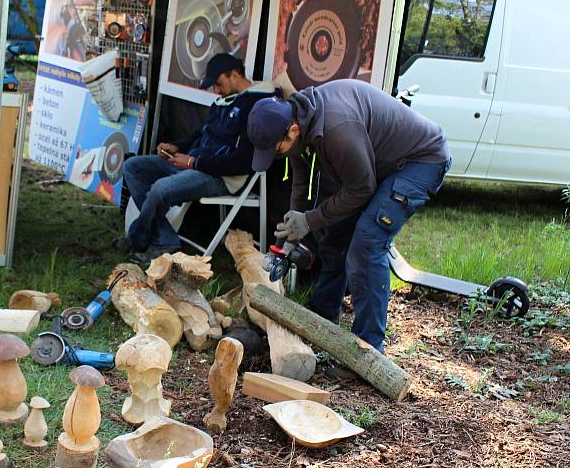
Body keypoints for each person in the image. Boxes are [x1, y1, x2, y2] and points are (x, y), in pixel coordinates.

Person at [247, 80, 451, 353]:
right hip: (379, 164)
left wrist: (309, 220)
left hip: (421, 161)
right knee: (337, 229)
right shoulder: (299, 120)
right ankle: (323, 314)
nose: (277, 155)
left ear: (292, 131)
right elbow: (300, 179)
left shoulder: (336, 129)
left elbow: (361, 188)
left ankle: (368, 348)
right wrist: (294, 224)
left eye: (277, 150)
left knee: (367, 242)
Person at [120, 53, 277, 263]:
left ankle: (139, 238)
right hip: (195, 164)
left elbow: (242, 162)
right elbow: (201, 135)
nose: (216, 91)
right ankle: (165, 239)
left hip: (220, 177)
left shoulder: (258, 106)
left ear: (235, 74)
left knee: (160, 189)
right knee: (132, 167)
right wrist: (177, 147)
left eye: (219, 84)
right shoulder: (223, 101)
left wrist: (193, 162)